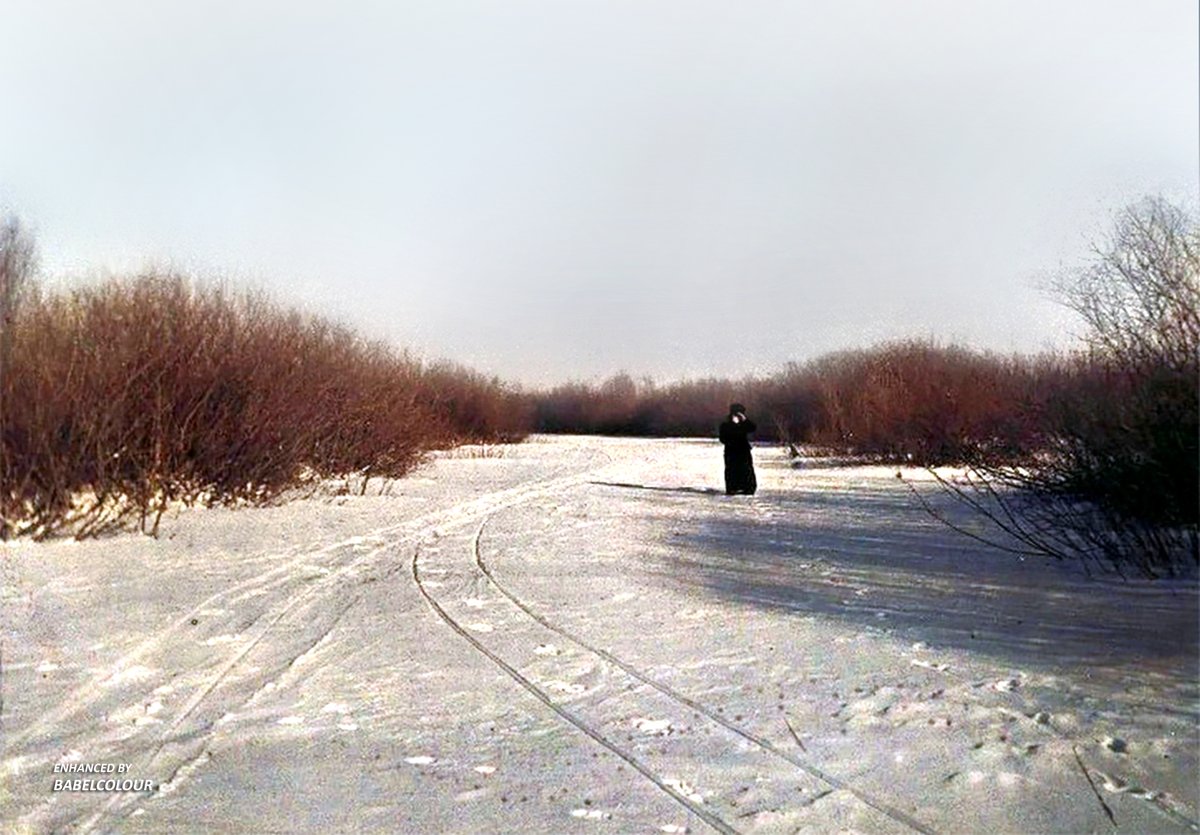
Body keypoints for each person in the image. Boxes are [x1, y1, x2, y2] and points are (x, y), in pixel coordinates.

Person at [718, 402, 757, 495]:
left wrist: (744, 420)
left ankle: (748, 488)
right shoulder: (725, 424)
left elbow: (752, 428)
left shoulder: (744, 423)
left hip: (743, 452)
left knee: (747, 471)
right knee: (732, 472)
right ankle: (733, 489)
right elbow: (722, 438)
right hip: (731, 453)